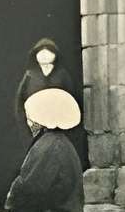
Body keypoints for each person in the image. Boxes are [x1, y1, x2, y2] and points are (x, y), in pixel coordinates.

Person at [14, 37, 88, 168]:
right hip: (36, 127)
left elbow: (71, 100)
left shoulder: (62, 75)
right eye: (40, 52)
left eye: (49, 51)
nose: (44, 55)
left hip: (59, 128)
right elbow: (20, 103)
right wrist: (26, 125)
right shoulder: (30, 76)